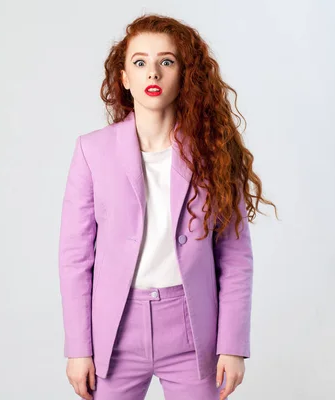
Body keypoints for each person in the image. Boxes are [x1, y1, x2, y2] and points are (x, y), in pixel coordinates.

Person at [58, 13, 277, 400]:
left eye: (167, 61)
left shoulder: (214, 153)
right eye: (139, 62)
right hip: (116, 331)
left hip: (193, 330)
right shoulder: (92, 151)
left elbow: (235, 255)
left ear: (184, 74)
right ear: (125, 78)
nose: (153, 73)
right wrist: (79, 348)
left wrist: (233, 344)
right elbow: (75, 258)